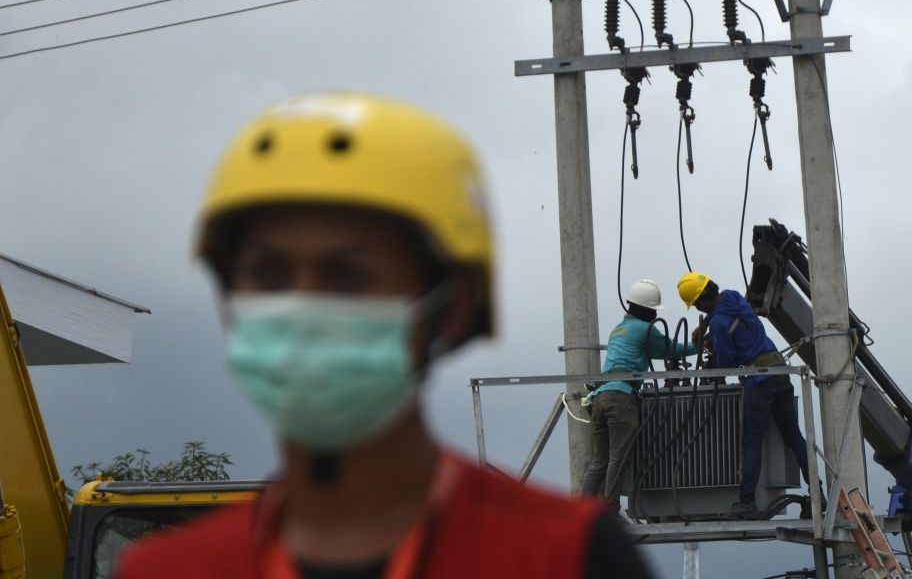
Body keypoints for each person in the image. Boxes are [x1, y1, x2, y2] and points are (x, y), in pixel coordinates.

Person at [118, 91, 653, 579]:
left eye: (348, 274)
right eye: (269, 273)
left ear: (452, 304)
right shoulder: (162, 571)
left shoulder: (570, 559)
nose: (304, 308)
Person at [677, 271, 816, 520]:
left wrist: (712, 345)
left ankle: (746, 503)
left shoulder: (720, 325)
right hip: (780, 373)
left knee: (751, 442)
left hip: (759, 381)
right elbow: (721, 312)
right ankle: (818, 497)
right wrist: (706, 324)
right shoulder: (731, 296)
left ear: (699, 302)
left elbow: (727, 362)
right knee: (794, 436)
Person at [582, 279, 696, 506]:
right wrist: (700, 344)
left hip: (601, 397)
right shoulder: (645, 329)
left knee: (598, 462)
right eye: (653, 310)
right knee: (618, 457)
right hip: (621, 399)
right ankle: (609, 511)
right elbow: (672, 350)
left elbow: (650, 353)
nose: (655, 315)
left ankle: (580, 513)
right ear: (645, 308)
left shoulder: (619, 329)